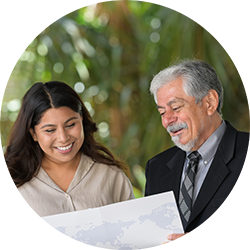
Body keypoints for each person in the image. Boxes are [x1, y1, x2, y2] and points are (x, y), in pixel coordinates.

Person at [145, 59, 250, 250]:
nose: (168, 120)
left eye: (176, 108)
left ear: (209, 102)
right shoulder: (157, 168)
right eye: (162, 112)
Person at [5, 81, 134, 218]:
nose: (63, 137)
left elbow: (135, 231)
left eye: (70, 124)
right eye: (50, 130)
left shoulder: (110, 176)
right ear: (33, 134)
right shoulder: (10, 181)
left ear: (82, 120)